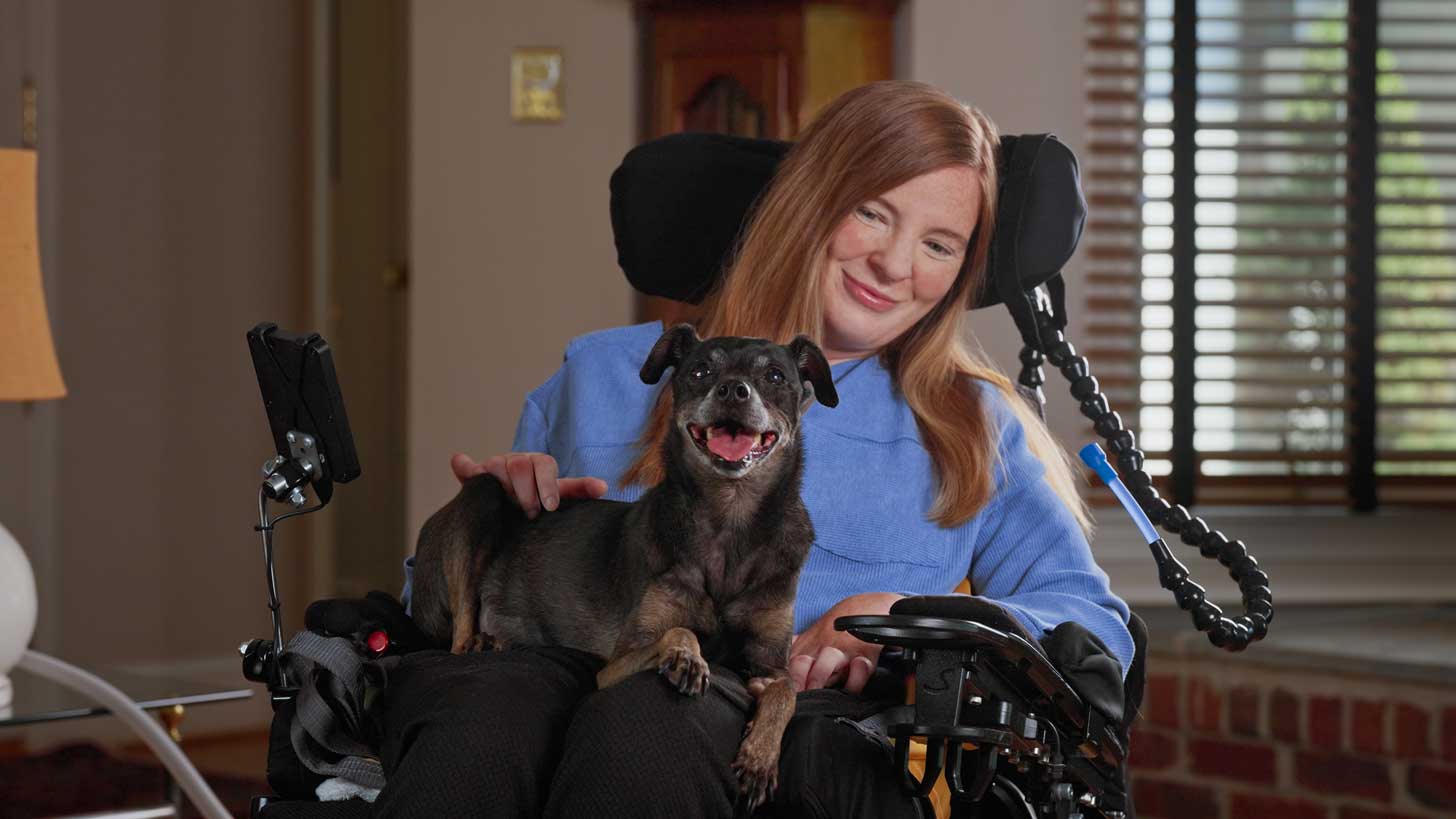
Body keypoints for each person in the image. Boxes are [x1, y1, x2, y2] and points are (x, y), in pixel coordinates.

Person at [377, 80, 1133, 819]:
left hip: (777, 718)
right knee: (470, 726)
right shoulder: (605, 371)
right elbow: (436, 607)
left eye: (939, 244)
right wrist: (494, 515)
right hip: (550, 666)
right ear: (810, 201)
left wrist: (903, 616)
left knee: (644, 725)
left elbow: (1092, 626)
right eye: (873, 213)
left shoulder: (968, 426)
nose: (896, 264)